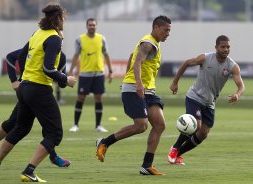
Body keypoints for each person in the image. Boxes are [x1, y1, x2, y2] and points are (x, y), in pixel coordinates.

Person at [0, 3, 76, 182]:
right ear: (57, 19)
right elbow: (49, 69)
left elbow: (19, 57)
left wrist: (25, 77)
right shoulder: (53, 38)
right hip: (39, 89)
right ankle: (29, 170)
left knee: (20, 128)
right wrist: (66, 79)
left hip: (25, 87)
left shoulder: (37, 34)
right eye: (63, 18)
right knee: (55, 133)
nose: (64, 21)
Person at [96, 15, 171, 175]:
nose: (168, 33)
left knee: (159, 125)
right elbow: (137, 62)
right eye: (166, 30)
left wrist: (130, 77)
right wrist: (136, 83)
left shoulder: (154, 44)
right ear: (156, 28)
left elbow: (132, 56)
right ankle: (104, 142)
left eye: (169, 30)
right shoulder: (148, 43)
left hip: (148, 91)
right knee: (141, 125)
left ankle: (147, 166)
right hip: (135, 89)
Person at [0, 49, 71, 168]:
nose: (59, 37)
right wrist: (14, 80)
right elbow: (10, 56)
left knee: (47, 127)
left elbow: (61, 83)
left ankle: (53, 156)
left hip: (42, 93)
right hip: (29, 91)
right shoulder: (36, 46)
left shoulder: (61, 56)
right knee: (13, 123)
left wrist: (66, 78)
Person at [167, 35, 245, 165]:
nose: (226, 49)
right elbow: (186, 63)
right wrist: (175, 82)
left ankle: (177, 155)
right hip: (194, 97)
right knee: (196, 125)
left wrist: (237, 94)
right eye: (223, 46)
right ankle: (174, 148)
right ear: (216, 47)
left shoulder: (232, 66)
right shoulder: (205, 58)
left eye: (228, 47)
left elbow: (241, 85)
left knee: (203, 134)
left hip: (210, 103)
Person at [68, 18, 113, 132]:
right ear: (86, 26)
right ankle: (75, 125)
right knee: (81, 98)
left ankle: (98, 125)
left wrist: (111, 71)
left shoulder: (102, 39)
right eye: (90, 25)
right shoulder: (80, 39)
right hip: (85, 74)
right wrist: (71, 70)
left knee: (98, 98)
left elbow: (106, 55)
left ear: (96, 26)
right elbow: (76, 55)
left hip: (99, 74)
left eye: (93, 25)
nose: (92, 27)